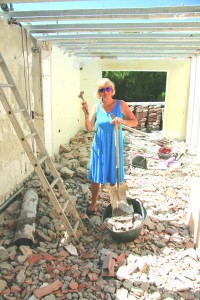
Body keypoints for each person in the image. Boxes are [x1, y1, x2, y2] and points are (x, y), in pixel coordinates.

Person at [81, 78, 138, 215]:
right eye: (102, 90)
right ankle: (93, 204)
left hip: (114, 147)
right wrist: (86, 114)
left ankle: (117, 206)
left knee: (115, 177)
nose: (105, 92)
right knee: (96, 178)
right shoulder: (96, 107)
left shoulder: (121, 104)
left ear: (112, 90)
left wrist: (122, 121)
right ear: (99, 93)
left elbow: (134, 122)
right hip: (99, 146)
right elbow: (89, 128)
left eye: (108, 89)